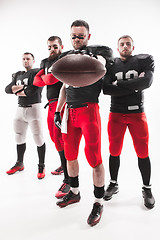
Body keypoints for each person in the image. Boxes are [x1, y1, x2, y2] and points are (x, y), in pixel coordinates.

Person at [54, 20, 113, 226]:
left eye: (81, 35)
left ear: (88, 36)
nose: (77, 39)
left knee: (94, 158)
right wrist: (59, 111)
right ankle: (75, 192)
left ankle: (98, 202)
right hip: (70, 111)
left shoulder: (98, 54)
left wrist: (92, 57)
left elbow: (103, 64)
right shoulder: (66, 58)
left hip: (89, 110)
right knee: (70, 155)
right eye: (73, 36)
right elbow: (63, 86)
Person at [103, 35, 155, 209]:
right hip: (116, 114)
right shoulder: (112, 64)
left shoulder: (142, 61)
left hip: (137, 114)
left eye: (128, 44)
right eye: (122, 44)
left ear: (133, 46)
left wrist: (120, 84)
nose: (125, 46)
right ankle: (113, 183)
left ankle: (147, 188)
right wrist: (134, 85)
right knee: (114, 150)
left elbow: (146, 81)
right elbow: (106, 89)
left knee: (143, 151)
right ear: (117, 48)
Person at [33, 36, 70, 198]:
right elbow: (37, 81)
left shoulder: (65, 58)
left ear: (61, 46)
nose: (52, 50)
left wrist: (47, 79)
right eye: (49, 47)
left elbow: (54, 78)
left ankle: (68, 179)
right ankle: (64, 164)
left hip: (62, 104)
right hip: (50, 104)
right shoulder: (44, 62)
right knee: (55, 139)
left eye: (55, 46)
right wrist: (46, 79)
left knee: (63, 139)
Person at [5, 52, 46, 179]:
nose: (25, 61)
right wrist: (23, 88)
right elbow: (7, 89)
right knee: (18, 137)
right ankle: (19, 163)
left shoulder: (37, 72)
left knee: (38, 138)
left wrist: (17, 90)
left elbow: (33, 90)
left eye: (28, 59)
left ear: (33, 60)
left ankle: (41, 165)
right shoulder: (18, 74)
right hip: (20, 109)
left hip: (34, 108)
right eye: (23, 59)